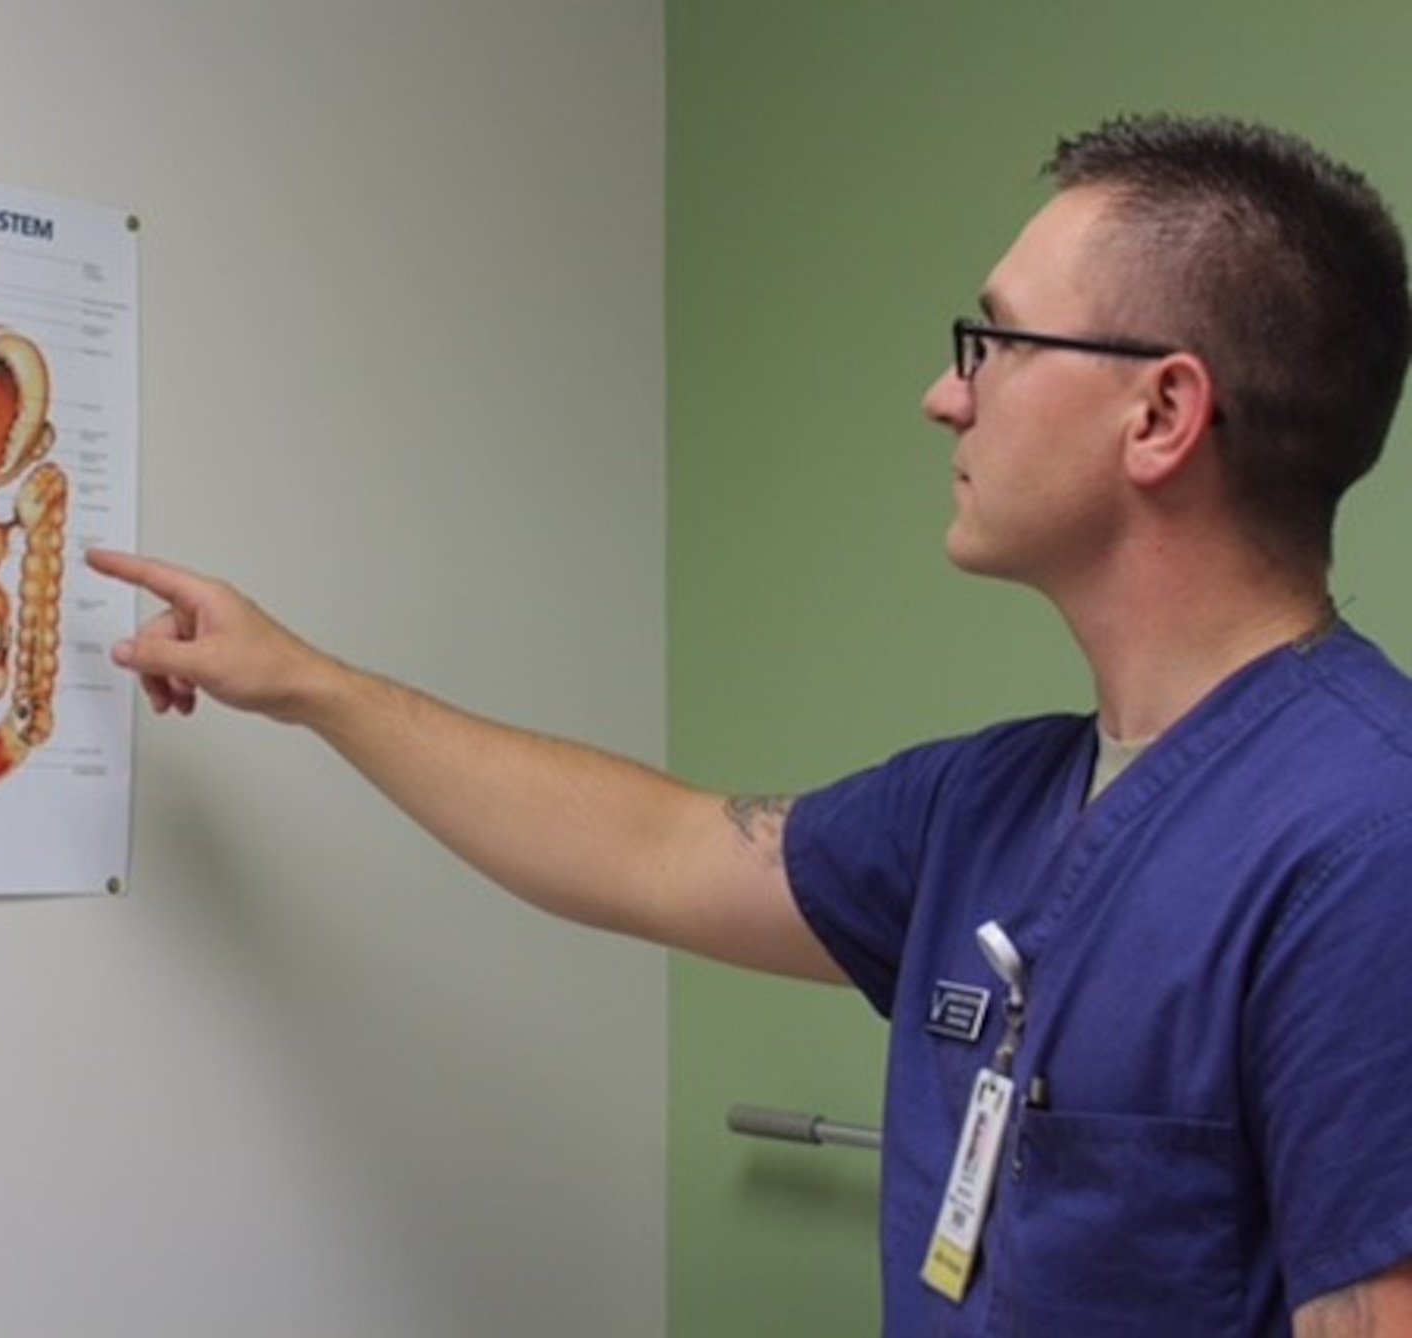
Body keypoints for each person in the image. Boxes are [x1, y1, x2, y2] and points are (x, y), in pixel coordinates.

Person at [86, 113, 1412, 1336]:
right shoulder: (992, 804)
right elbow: (657, 849)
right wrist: (307, 680)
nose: (946, 395)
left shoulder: (1365, 839)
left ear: (1162, 412)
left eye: (996, 341)